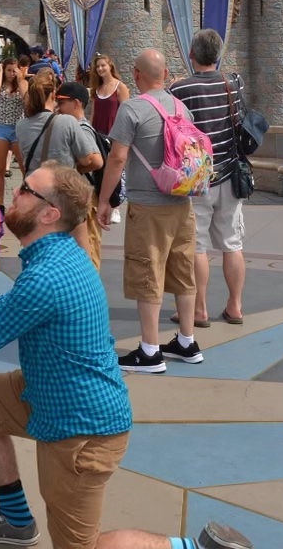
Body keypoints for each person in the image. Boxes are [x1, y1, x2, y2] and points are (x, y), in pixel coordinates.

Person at [0, 162, 252, 549]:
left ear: (49, 214)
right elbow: (0, 311)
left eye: (27, 189)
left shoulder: (48, 275)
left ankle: (197, 548)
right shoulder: (54, 255)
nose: (15, 191)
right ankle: (14, 519)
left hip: (83, 431)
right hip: (51, 397)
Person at [98, 49, 203, 375]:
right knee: (182, 271)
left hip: (148, 205)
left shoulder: (133, 108)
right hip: (182, 203)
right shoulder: (181, 107)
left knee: (148, 272)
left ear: (136, 74)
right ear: (166, 73)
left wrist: (105, 200)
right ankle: (187, 342)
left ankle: (150, 351)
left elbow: (117, 158)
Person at [169, 29, 247, 326]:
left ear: (191, 55)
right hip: (230, 174)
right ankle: (235, 306)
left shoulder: (180, 90)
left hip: (196, 178)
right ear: (218, 55)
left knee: (197, 246)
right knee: (232, 243)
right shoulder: (234, 84)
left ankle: (199, 310)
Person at [55, 81, 105, 268]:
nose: (58, 107)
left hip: (87, 195)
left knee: (88, 246)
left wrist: (73, 170)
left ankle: (91, 290)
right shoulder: (73, 126)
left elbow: (96, 161)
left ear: (76, 103)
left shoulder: (82, 128)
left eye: (62, 102)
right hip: (82, 195)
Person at [90, 54, 130, 224]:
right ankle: (101, 202)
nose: (100, 69)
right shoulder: (96, 89)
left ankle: (115, 207)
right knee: (100, 169)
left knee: (115, 170)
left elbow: (126, 112)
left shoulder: (120, 87)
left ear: (110, 66)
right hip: (98, 134)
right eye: (98, 66)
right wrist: (90, 131)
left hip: (114, 134)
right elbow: (93, 113)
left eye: (103, 66)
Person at [0, 57, 28, 210]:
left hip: (18, 128)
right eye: (9, 70)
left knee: (24, 168)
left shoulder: (22, 84)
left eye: (14, 70)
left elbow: (26, 98)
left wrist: (20, 78)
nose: (11, 74)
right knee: (0, 169)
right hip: (1, 127)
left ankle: (25, 200)